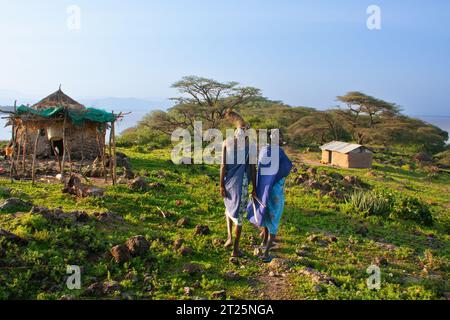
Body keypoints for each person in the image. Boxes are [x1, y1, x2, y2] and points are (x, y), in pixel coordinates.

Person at [247, 130, 292, 261]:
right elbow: (287, 168)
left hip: (263, 190)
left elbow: (259, 169)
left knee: (265, 214)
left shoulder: (263, 151)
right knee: (274, 220)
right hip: (276, 190)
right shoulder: (280, 153)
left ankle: (263, 242)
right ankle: (266, 253)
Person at [220, 126, 257, 258]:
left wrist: (221, 185)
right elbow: (253, 168)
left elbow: (223, 165)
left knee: (228, 210)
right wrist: (255, 188)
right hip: (242, 184)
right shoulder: (250, 146)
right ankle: (235, 250)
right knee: (239, 218)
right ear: (246, 136)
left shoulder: (226, 142)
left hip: (228, 182)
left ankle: (229, 237)